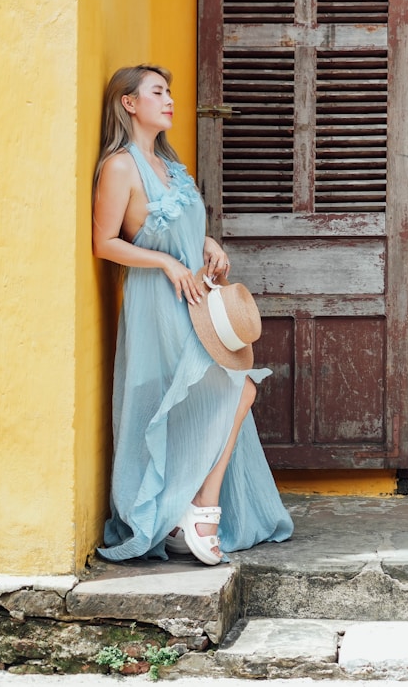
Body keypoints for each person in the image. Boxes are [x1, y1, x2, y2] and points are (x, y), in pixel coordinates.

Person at [91, 64, 292, 565]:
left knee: (230, 390)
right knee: (223, 390)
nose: (170, 100)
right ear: (129, 103)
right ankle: (195, 507)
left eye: (170, 91)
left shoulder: (171, 165)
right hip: (156, 303)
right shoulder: (120, 166)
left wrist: (208, 244)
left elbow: (180, 227)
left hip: (195, 298)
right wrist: (163, 261)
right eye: (158, 92)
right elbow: (105, 242)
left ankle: (196, 504)